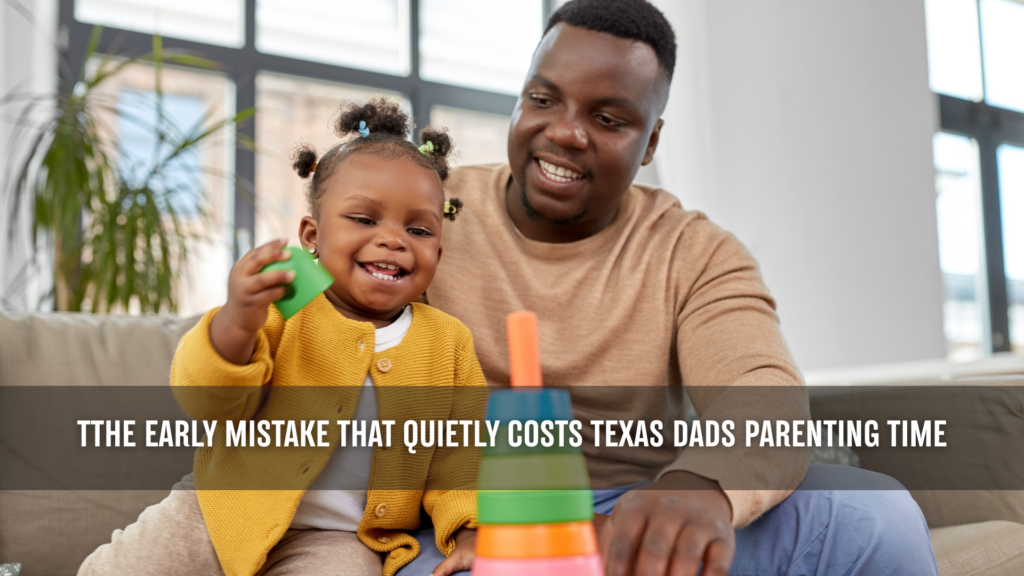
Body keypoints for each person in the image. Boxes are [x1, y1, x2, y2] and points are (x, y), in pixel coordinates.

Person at [398, 1, 941, 575]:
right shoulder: (423, 210)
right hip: (468, 522)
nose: (564, 132)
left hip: (639, 513)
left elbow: (760, 390)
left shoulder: (694, 250)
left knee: (876, 513)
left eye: (608, 119)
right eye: (543, 99)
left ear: (650, 143)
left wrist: (698, 486)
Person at [79, 98, 484, 576]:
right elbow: (207, 401)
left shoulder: (448, 342)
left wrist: (470, 528)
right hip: (216, 512)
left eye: (417, 229)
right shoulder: (282, 306)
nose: (393, 239)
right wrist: (236, 322)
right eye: (364, 219)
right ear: (312, 234)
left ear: (438, 248)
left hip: (335, 540)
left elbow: (459, 455)